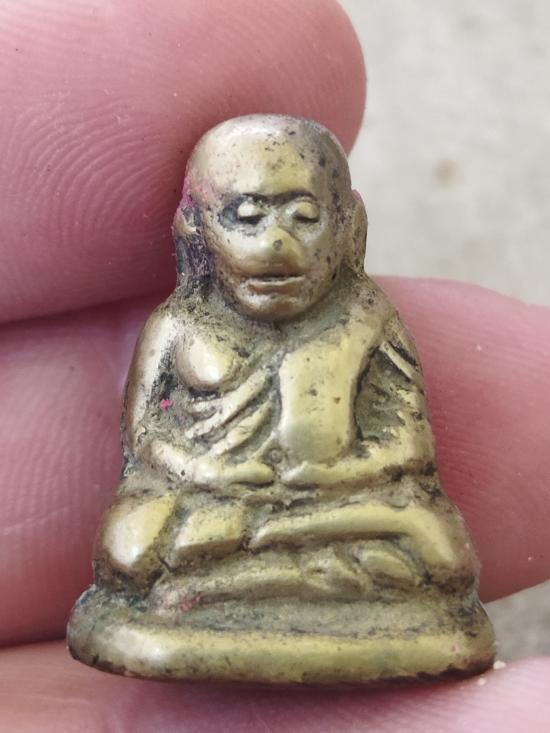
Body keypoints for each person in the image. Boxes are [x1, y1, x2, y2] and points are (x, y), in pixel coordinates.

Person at [1, 0, 549, 729]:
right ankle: (256, 573)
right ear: (197, 230)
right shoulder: (179, 325)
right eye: (247, 216)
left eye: (303, 215)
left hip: (340, 500)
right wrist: (216, 477)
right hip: (215, 501)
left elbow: (406, 446)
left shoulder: (366, 319)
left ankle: (231, 581)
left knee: (442, 550)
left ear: (348, 225)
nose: (277, 244)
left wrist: (331, 480)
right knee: (132, 547)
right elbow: (148, 446)